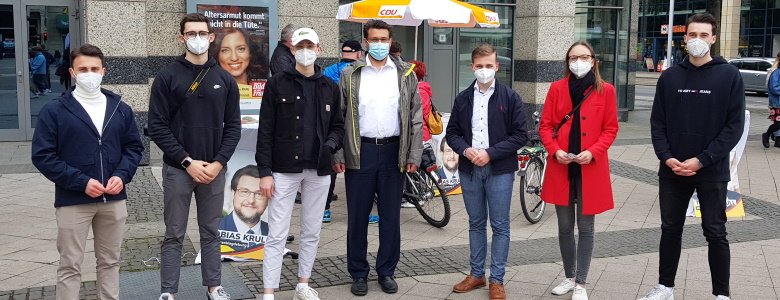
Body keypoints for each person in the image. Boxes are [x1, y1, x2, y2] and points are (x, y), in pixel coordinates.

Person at [642, 13, 745, 300]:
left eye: (703, 35)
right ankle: (665, 287)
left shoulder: (729, 75)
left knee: (715, 232)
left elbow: (733, 126)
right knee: (670, 229)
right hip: (673, 169)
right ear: (684, 38)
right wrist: (666, 157)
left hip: (711, 169)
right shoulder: (670, 76)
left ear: (713, 39)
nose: (697, 40)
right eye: (692, 35)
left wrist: (702, 159)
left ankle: (721, 294)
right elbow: (658, 122)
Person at [31, 44, 143, 300]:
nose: (89, 74)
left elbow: (134, 148)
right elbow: (43, 155)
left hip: (113, 198)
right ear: (72, 72)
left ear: (104, 71)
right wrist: (81, 182)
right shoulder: (55, 110)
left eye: (94, 68)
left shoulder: (120, 108)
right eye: (83, 69)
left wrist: (121, 175)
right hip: (74, 200)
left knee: (110, 262)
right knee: (70, 265)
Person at [148, 13, 241, 300]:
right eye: (191, 33)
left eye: (203, 33)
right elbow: (157, 127)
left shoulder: (225, 79)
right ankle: (168, 291)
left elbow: (234, 127)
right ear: (182, 38)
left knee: (211, 232)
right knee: (174, 233)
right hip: (179, 169)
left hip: (214, 170)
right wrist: (187, 161)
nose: (197, 38)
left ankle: (214, 286)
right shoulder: (166, 77)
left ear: (211, 37)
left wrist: (218, 163)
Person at [332, 19, 423, 296]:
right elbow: (339, 116)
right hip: (360, 151)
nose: (380, 44)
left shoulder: (406, 74)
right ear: (366, 42)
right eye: (375, 39)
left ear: (390, 41)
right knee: (357, 217)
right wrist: (338, 152)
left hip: (394, 152)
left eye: (385, 39)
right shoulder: (350, 74)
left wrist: (414, 153)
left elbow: (416, 117)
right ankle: (358, 273)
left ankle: (386, 271)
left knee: (390, 218)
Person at [256, 27, 345, 300]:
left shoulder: (330, 86)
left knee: (312, 231)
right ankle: (269, 292)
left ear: (319, 50)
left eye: (311, 45)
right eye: (300, 46)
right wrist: (264, 172)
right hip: (283, 169)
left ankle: (302, 285)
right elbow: (265, 131)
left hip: (319, 170)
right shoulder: (276, 83)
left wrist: (330, 146)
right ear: (292, 49)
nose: (306, 50)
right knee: (277, 234)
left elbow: (338, 126)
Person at [446, 44, 528, 300]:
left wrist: (490, 152)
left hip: (499, 169)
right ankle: (477, 274)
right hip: (470, 169)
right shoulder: (463, 98)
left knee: (501, 225)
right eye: (479, 66)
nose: (484, 70)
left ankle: (497, 279)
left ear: (497, 67)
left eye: (489, 65)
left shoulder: (510, 97)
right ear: (472, 67)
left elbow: (520, 135)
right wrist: (467, 150)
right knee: (476, 223)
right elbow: (452, 134)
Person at [539, 41, 619, 300]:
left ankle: (581, 283)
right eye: (573, 58)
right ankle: (569, 276)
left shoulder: (605, 90)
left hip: (590, 168)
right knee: (564, 227)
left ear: (593, 61)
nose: (579, 62)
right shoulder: (556, 88)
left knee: (586, 228)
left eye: (584, 57)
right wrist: (555, 150)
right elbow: (546, 126)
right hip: (562, 167)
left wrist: (593, 151)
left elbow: (610, 129)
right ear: (567, 62)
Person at [321, 39, 363, 222]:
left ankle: (325, 210)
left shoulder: (329, 71)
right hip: (357, 127)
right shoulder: (361, 71)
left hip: (332, 125)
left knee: (332, 167)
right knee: (358, 171)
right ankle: (361, 213)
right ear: (359, 53)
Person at [219, 165, 269, 238]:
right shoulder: (215, 229)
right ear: (233, 194)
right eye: (245, 192)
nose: (251, 200)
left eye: (259, 194)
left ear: (268, 200)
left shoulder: (274, 234)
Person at [211, 28, 265, 93]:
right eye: (225, 50)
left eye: (241, 49)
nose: (234, 58)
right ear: (218, 55)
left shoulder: (263, 85)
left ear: (250, 52)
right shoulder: (210, 88)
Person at [763, 51, 780, 148]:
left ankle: (778, 140)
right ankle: (767, 135)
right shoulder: (776, 73)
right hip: (777, 103)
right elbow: (774, 88)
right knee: (777, 124)